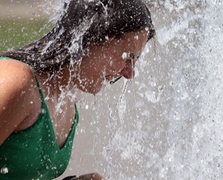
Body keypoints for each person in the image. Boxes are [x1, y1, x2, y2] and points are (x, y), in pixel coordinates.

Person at [0, 0, 155, 179]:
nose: (130, 73)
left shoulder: (67, 102)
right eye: (128, 56)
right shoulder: (17, 82)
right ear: (92, 35)